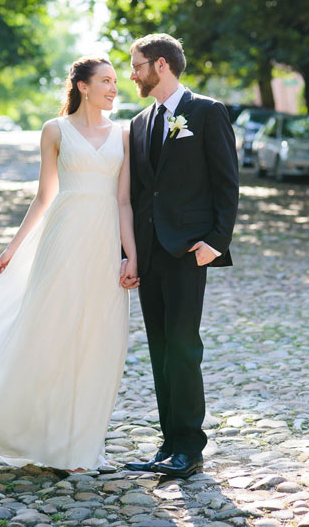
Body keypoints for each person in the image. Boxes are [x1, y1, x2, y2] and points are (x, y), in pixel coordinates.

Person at [0, 56, 139, 471]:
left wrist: (131, 254)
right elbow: (43, 196)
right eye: (105, 81)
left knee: (99, 341)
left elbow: (123, 201)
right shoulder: (55, 130)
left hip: (103, 246)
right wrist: (14, 247)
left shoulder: (123, 136)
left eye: (115, 82)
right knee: (49, 333)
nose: (113, 88)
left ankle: (82, 445)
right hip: (62, 241)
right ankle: (39, 435)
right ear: (83, 86)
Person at [123, 34, 239, 479]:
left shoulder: (207, 112)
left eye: (137, 66)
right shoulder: (138, 123)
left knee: (184, 349)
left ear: (161, 65)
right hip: (150, 253)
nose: (132, 75)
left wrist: (216, 241)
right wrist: (127, 255)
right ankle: (168, 443)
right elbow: (137, 195)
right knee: (159, 350)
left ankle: (191, 446)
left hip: (190, 251)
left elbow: (226, 182)